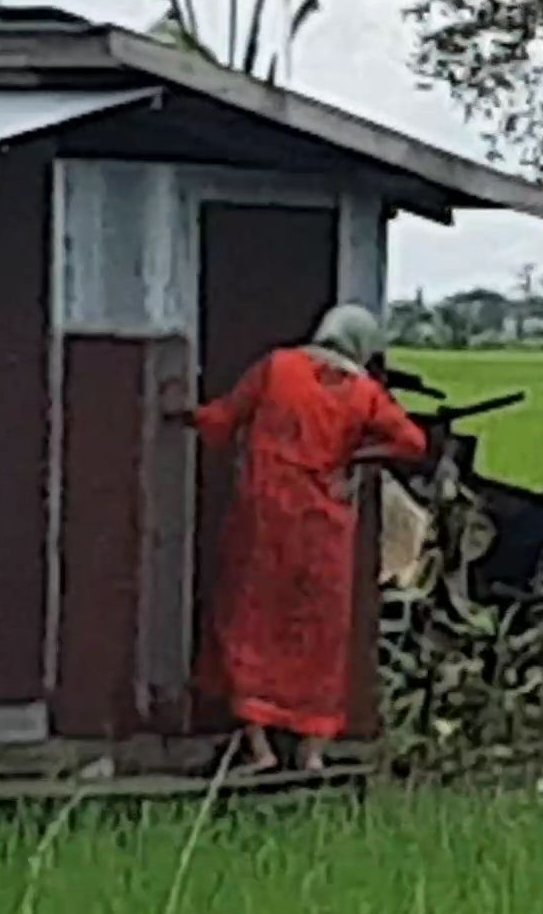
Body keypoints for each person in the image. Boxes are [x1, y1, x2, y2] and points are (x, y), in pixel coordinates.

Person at [169, 305, 427, 774]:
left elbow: (222, 420)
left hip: (264, 516)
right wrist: (359, 457)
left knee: (249, 622)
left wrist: (182, 415)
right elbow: (413, 443)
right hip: (325, 525)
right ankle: (311, 754)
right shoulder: (364, 392)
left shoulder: (277, 368)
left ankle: (261, 748)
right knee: (319, 634)